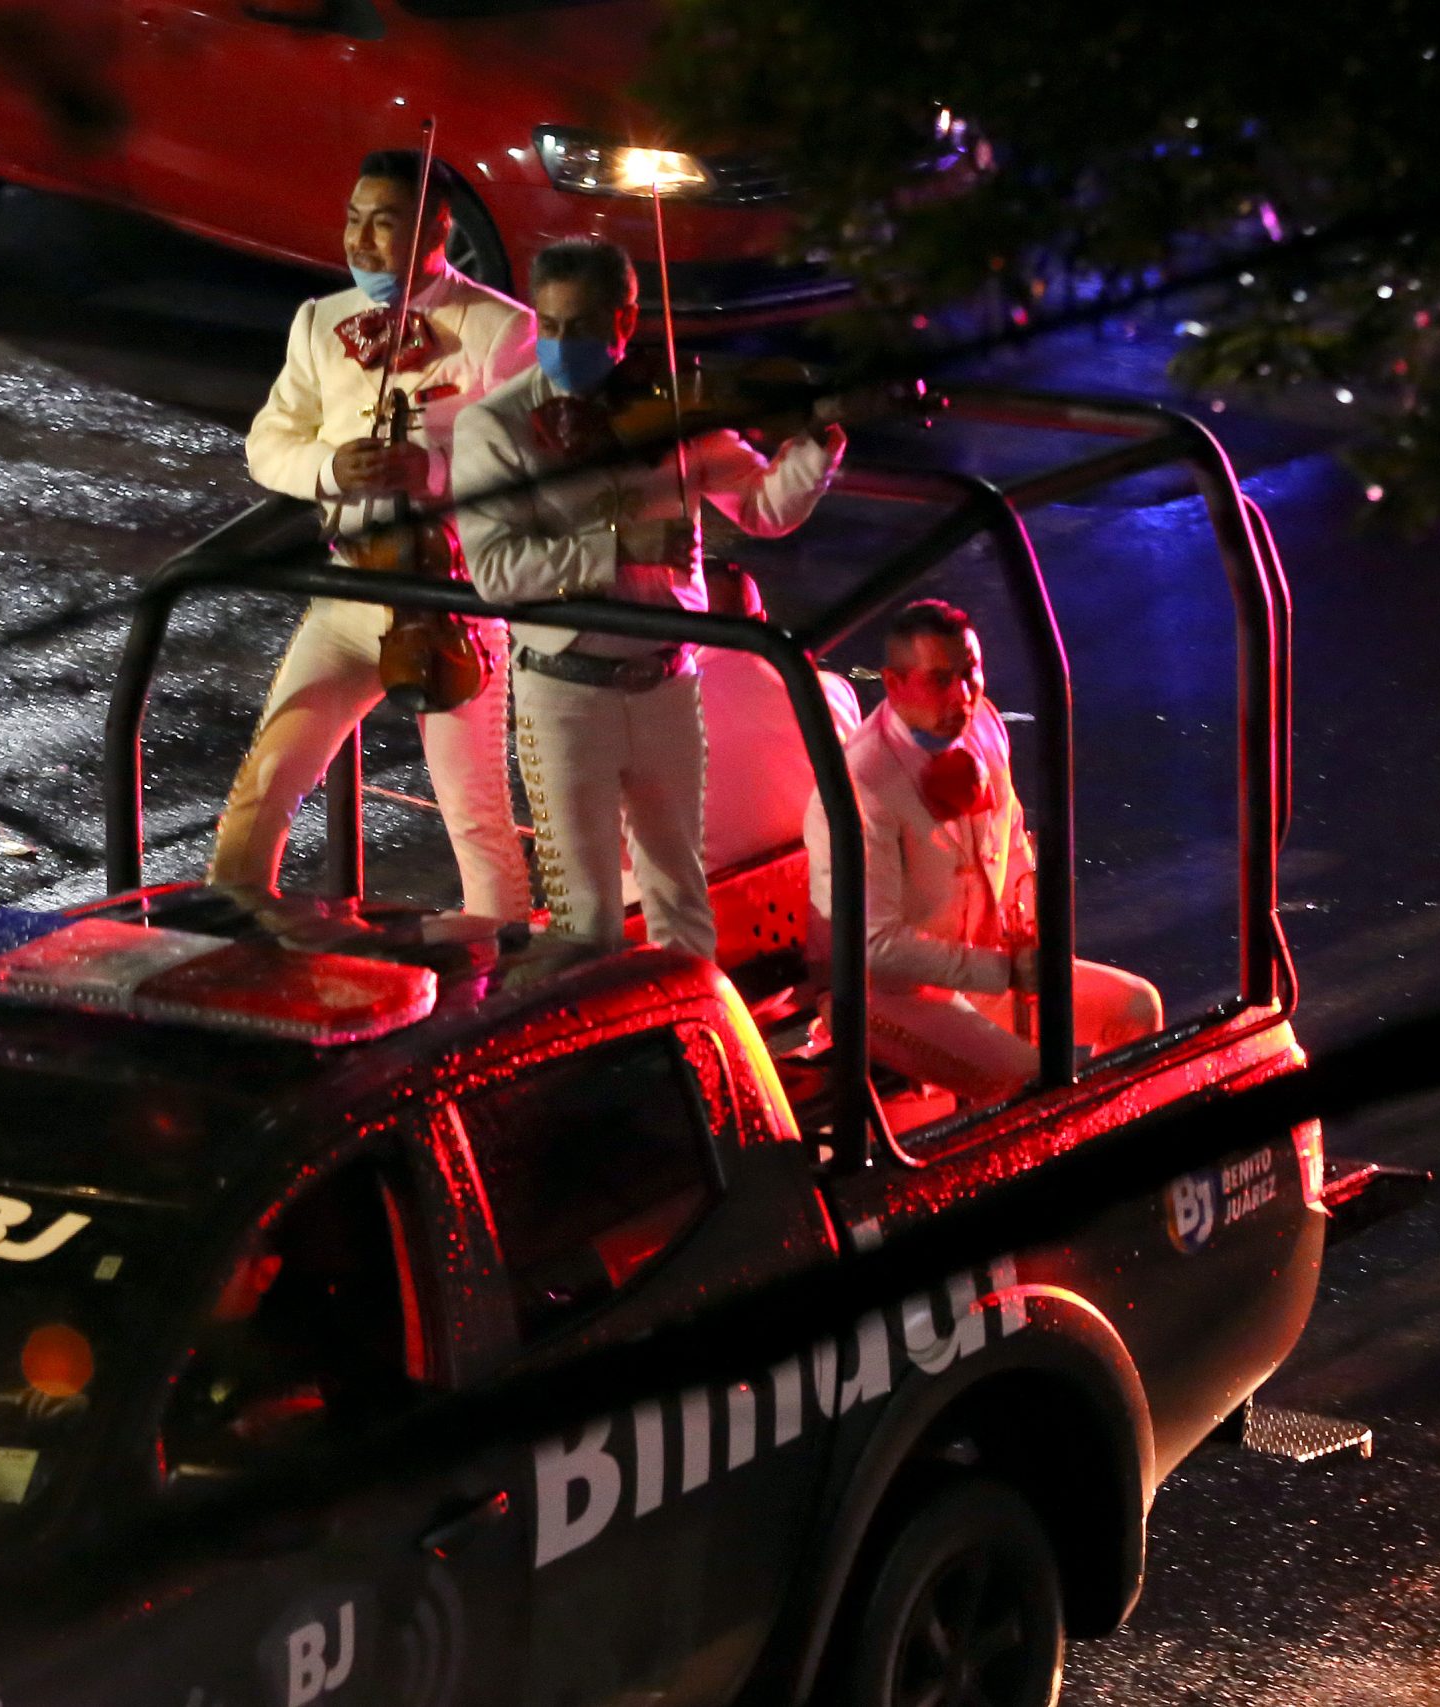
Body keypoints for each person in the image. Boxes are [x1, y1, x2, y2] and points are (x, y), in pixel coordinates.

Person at [455, 239, 844, 954]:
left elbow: (764, 508)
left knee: (681, 897)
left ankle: (688, 1050)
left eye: (581, 327)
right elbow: (495, 571)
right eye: (550, 327)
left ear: (625, 322)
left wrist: (818, 444)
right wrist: (614, 549)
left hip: (669, 680)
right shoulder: (498, 426)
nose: (562, 345)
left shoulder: (671, 407)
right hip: (565, 692)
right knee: (586, 916)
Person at [209, 150, 534, 920]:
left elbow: (527, 470)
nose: (361, 240)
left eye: (384, 224)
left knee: (475, 814)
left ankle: (501, 955)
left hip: (449, 601)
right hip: (349, 589)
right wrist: (330, 466)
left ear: (437, 230)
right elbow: (266, 443)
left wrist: (430, 469)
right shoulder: (319, 321)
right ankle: (230, 931)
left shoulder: (500, 330)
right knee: (268, 778)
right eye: (354, 220)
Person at [800, 599, 1163, 1104]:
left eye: (971, 673)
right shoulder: (861, 787)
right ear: (893, 682)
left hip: (987, 968)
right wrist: (1000, 972)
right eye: (940, 679)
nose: (963, 696)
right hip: (891, 996)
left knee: (1136, 1008)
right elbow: (875, 945)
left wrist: (1033, 930)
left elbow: (1011, 836)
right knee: (1036, 1081)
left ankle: (1116, 1146)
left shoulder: (984, 723)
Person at [700, 566, 861, 871]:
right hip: (831, 881)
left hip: (721, 902)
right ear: (762, 621)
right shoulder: (830, 694)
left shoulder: (663, 713)